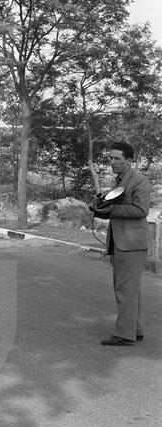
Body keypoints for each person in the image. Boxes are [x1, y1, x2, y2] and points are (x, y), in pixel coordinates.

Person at [90, 141, 150, 346]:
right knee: (129, 289)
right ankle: (134, 330)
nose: (112, 162)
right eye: (110, 158)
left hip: (132, 244)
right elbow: (115, 210)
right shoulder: (119, 181)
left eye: (117, 158)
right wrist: (100, 209)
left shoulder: (139, 181)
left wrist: (112, 209)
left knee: (125, 290)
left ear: (129, 160)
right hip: (120, 242)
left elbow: (141, 210)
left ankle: (124, 335)